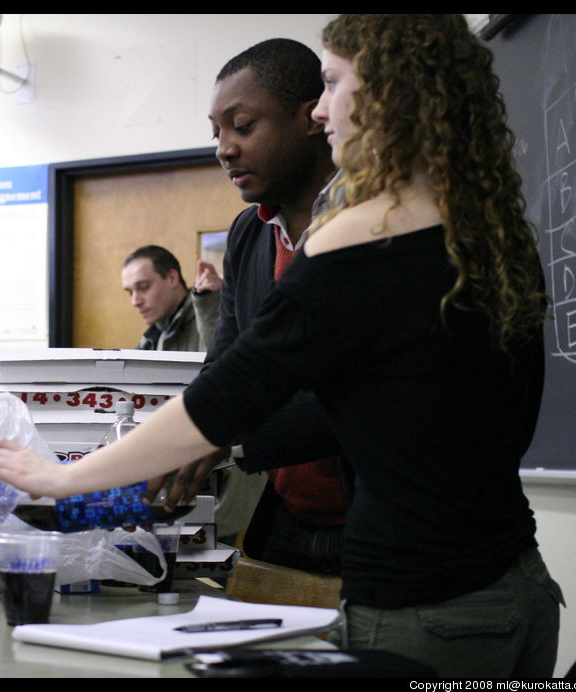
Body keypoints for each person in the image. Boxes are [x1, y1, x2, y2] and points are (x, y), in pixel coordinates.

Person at [0, 14, 562, 677]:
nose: (321, 105)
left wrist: (60, 479)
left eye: (334, 82)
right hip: (518, 589)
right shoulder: (487, 229)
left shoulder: (361, 235)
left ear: (386, 94)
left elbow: (229, 398)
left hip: (421, 610)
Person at [200, 39, 347, 572]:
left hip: (379, 523)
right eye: (216, 132)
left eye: (242, 126)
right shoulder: (249, 232)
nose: (224, 149)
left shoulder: (373, 222)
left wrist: (219, 442)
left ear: (311, 118)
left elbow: (344, 393)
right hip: (286, 520)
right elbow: (228, 364)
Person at [120, 245, 218, 351]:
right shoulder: (153, 336)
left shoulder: (212, 317)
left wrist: (209, 302)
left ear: (172, 278)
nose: (135, 302)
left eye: (143, 287)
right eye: (130, 292)